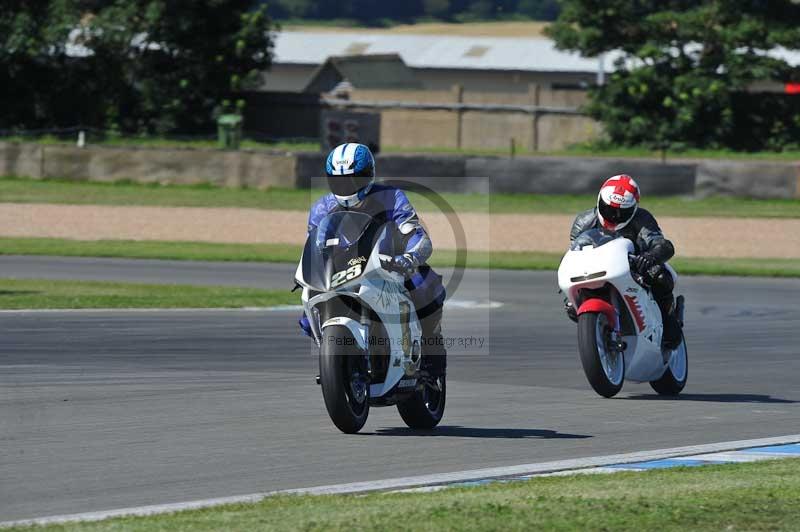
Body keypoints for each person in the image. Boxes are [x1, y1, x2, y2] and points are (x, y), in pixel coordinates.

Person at [299, 142, 447, 378]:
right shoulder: (321, 208)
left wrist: (409, 257)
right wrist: (309, 271)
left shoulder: (391, 196)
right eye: (338, 180)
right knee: (307, 316)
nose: (345, 186)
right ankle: (336, 363)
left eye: (353, 180)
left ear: (369, 176)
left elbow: (416, 234)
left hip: (390, 264)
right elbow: (315, 245)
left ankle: (430, 365)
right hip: (342, 270)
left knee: (426, 286)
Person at [567, 174, 682, 349]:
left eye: (622, 212)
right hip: (598, 267)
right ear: (600, 201)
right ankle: (597, 329)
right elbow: (573, 251)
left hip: (635, 267)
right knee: (571, 308)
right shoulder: (584, 221)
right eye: (609, 209)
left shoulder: (642, 219)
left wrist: (650, 257)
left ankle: (668, 318)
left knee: (659, 276)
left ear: (634, 209)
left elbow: (663, 245)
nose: (614, 215)